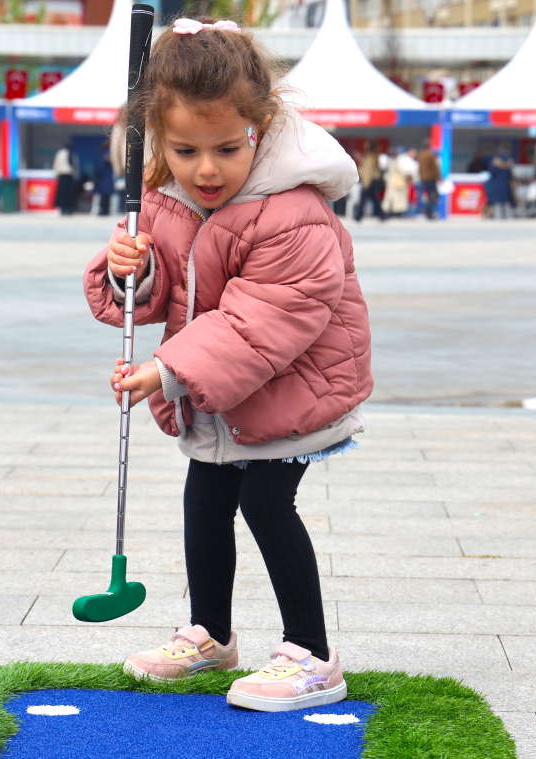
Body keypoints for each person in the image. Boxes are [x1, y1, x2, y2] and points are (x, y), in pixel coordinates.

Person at [84, 18, 370, 712]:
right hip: (221, 391)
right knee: (206, 493)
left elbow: (265, 319)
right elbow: (163, 293)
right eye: (184, 150)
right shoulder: (166, 196)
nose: (204, 169)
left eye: (225, 148)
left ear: (261, 126)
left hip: (293, 386)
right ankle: (210, 632)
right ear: (157, 139)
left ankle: (313, 654)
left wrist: (169, 372)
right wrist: (132, 270)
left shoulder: (294, 210)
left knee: (266, 501)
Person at [355, 145, 383, 221]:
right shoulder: (374, 156)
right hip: (372, 180)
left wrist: (366, 183)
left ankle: (358, 216)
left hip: (369, 180)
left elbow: (368, 171)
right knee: (374, 198)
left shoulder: (369, 157)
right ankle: (381, 215)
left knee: (364, 198)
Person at [486, 145, 515, 219]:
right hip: (506, 185)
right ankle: (509, 216)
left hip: (496, 185)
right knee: (506, 201)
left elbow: (491, 173)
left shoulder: (495, 162)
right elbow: (511, 174)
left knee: (497, 202)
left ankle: (498, 216)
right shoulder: (510, 162)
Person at [383, 148, 411, 217]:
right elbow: (402, 171)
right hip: (398, 181)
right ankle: (397, 212)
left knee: (391, 197)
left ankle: (390, 211)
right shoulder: (398, 162)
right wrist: (407, 175)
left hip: (391, 181)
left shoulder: (388, 162)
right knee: (398, 198)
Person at [53, 141, 77, 215]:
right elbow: (75, 166)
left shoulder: (60, 153)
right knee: (70, 193)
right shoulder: (73, 154)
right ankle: (70, 209)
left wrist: (56, 174)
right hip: (70, 175)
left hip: (62, 175)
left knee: (62, 193)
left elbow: (56, 164)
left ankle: (62, 209)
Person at [417, 144, 441, 220]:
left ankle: (429, 212)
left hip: (424, 178)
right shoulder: (430, 155)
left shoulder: (420, 156)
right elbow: (434, 168)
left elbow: (420, 168)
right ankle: (427, 209)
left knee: (430, 194)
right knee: (435, 195)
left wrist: (421, 178)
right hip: (431, 178)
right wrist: (439, 178)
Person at [94, 140, 114, 216]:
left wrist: (96, 177)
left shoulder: (102, 154)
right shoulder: (109, 153)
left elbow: (100, 167)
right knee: (107, 196)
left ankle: (103, 210)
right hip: (108, 177)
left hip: (103, 178)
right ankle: (106, 210)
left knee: (103, 195)